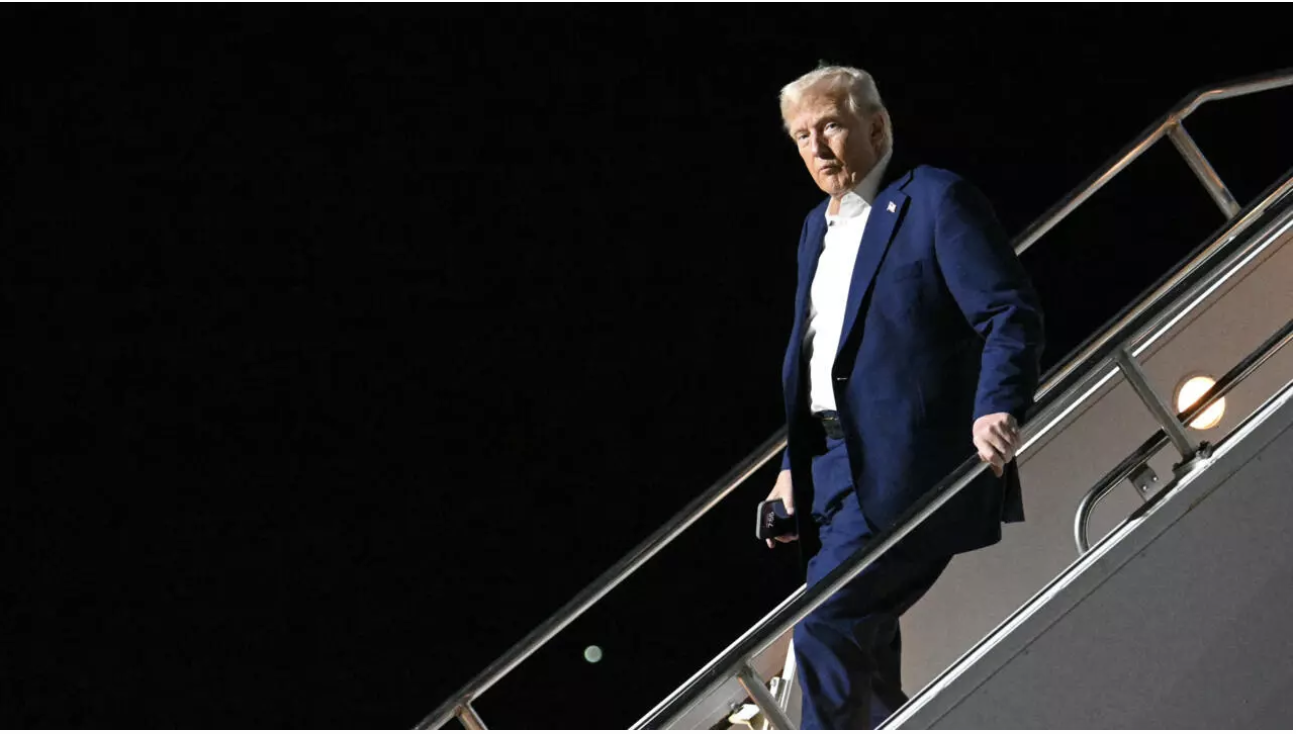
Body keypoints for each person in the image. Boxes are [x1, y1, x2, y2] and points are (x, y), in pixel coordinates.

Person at [765, 65, 1045, 729]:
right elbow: (819, 363)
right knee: (868, 659)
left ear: (877, 125)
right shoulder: (814, 229)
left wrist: (996, 404)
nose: (817, 146)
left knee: (824, 628)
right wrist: (788, 470)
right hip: (829, 471)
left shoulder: (934, 199)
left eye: (830, 124)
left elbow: (1009, 312)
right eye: (802, 135)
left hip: (909, 464)